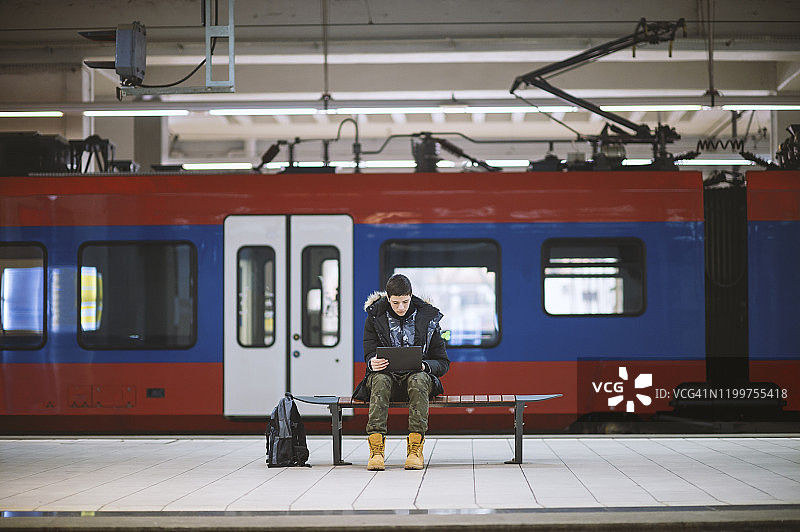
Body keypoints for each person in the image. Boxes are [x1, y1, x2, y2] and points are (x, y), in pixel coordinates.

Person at [352, 273, 450, 471]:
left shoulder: (428, 318)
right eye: (396, 303)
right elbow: (369, 353)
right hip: (385, 381)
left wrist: (425, 366)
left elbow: (443, 363)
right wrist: (372, 363)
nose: (401, 308)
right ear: (388, 298)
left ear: (411, 295)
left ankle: (415, 450)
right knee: (379, 379)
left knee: (419, 378)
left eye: (405, 302)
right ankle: (376, 451)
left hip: (417, 383)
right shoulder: (374, 317)